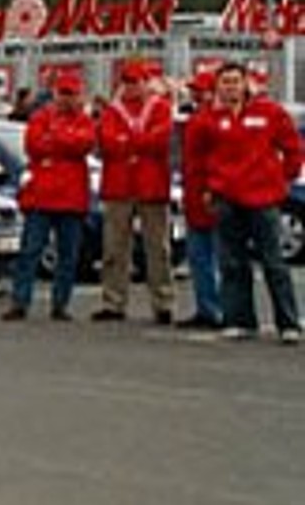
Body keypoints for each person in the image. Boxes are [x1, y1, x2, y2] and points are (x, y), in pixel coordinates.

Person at [192, 61, 300, 343]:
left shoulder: (269, 113)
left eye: (235, 81)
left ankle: (288, 324)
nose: (230, 87)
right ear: (217, 87)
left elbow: (292, 147)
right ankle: (239, 321)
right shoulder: (208, 119)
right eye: (225, 82)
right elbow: (197, 159)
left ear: (245, 83)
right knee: (232, 263)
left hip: (263, 199)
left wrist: (284, 179)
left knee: (274, 262)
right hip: (226, 198)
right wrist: (206, 189)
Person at [3, 73, 95, 321]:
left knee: (68, 255)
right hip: (41, 197)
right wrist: (65, 143)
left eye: (71, 94)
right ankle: (20, 302)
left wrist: (55, 139)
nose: (66, 99)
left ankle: (60, 304)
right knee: (29, 251)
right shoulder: (40, 117)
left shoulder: (84, 121)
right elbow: (33, 146)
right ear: (55, 94)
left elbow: (84, 145)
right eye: (63, 93)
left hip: (71, 198)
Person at [92, 61, 175, 324]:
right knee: (114, 248)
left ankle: (163, 302)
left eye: (136, 82)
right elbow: (106, 143)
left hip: (152, 186)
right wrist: (140, 141)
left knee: (157, 248)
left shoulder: (160, 108)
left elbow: (162, 141)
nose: (131, 87)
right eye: (126, 82)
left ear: (145, 83)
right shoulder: (112, 111)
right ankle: (113, 301)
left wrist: (128, 141)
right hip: (119, 186)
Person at [176, 72, 222, 329]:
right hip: (195, 194)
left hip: (211, 195)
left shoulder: (214, 119)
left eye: (199, 90)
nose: (194, 94)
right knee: (199, 258)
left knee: (216, 257)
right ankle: (206, 307)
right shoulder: (197, 117)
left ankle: (218, 308)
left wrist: (212, 188)